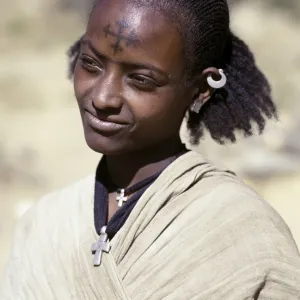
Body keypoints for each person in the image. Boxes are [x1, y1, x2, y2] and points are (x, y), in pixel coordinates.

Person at [1, 0, 300, 299]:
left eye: (141, 80)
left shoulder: (245, 233)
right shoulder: (45, 223)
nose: (103, 97)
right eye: (91, 64)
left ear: (200, 89)